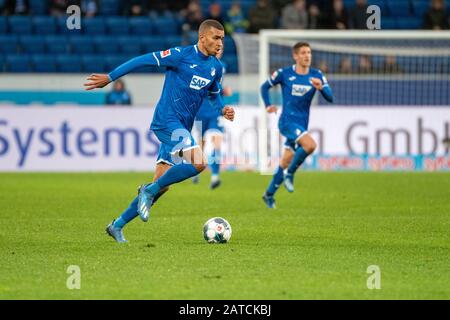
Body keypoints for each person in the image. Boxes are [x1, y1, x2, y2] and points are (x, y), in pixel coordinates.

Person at [84, 19, 235, 243]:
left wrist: (222, 108)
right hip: (166, 121)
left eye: (222, 39)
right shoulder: (180, 55)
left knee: (161, 185)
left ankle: (117, 225)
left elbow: (214, 95)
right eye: (216, 38)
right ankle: (147, 190)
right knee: (199, 163)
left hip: (181, 127)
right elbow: (142, 60)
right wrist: (111, 77)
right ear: (202, 38)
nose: (220, 43)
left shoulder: (216, 67)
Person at [260, 42, 334, 209]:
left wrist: (321, 88)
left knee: (286, 160)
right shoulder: (284, 74)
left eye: (309, 52)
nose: (307, 56)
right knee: (310, 145)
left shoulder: (317, 75)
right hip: (287, 121)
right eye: (303, 53)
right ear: (295, 56)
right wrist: (267, 105)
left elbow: (330, 98)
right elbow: (264, 87)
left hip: (302, 124)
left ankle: (269, 194)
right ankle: (290, 174)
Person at [192, 49, 232, 189]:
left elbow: (215, 86)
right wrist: (222, 90)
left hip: (215, 110)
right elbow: (203, 85)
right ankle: (195, 172)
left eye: (221, 48)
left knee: (216, 141)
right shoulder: (199, 63)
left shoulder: (222, 65)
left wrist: (222, 90)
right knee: (201, 143)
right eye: (217, 47)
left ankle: (215, 176)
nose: (219, 50)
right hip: (200, 110)